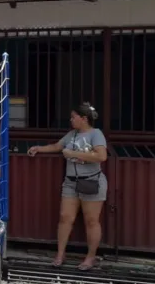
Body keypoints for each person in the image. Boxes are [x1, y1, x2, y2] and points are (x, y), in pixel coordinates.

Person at [28, 102, 108, 271]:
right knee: (65, 217)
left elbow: (101, 156)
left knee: (91, 220)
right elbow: (58, 146)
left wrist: (73, 154)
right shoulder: (72, 134)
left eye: (73, 117)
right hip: (71, 181)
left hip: (92, 181)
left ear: (83, 119)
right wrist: (39, 149)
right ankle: (60, 253)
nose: (71, 120)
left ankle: (90, 257)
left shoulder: (96, 134)